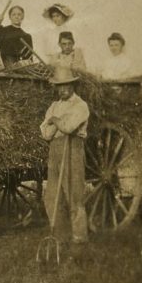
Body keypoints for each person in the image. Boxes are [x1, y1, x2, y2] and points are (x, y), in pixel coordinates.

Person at [40, 66, 90, 244]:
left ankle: (79, 238)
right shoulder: (54, 106)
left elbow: (69, 128)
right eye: (59, 86)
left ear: (73, 85)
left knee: (74, 195)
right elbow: (45, 133)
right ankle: (59, 236)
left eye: (66, 86)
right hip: (55, 151)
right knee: (52, 196)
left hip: (73, 150)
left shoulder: (81, 105)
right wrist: (56, 122)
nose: (63, 90)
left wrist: (55, 121)